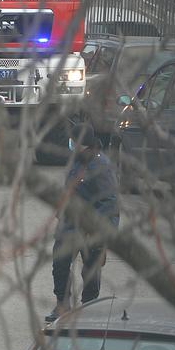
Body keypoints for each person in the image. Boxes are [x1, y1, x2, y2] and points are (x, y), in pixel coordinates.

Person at [47, 122, 120, 324]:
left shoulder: (101, 167)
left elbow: (111, 203)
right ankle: (62, 305)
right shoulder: (76, 160)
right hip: (69, 226)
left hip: (91, 231)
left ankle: (89, 308)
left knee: (91, 271)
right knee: (60, 265)